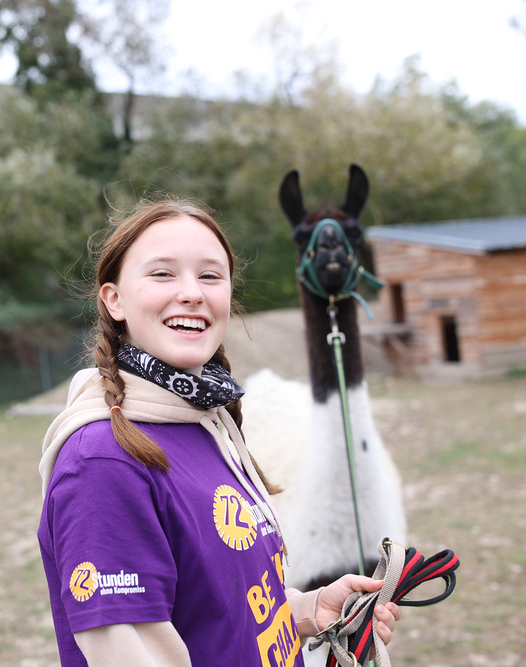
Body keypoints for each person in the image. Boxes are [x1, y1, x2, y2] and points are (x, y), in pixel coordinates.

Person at [37, 199, 401, 666]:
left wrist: (307, 611)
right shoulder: (103, 464)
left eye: (210, 276)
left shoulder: (207, 424)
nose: (192, 293)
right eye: (162, 274)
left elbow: (218, 610)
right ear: (114, 299)